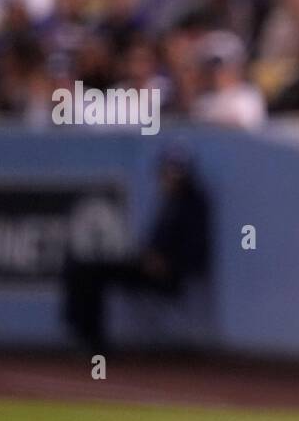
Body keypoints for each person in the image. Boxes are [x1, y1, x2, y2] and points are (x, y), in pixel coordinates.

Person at [62, 146, 211, 351]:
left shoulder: (193, 205)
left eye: (174, 172)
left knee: (92, 270)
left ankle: (93, 343)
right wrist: (147, 255)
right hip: (148, 264)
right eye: (166, 172)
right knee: (84, 267)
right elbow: (154, 243)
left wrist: (169, 264)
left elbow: (196, 250)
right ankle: (83, 333)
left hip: (169, 273)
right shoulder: (169, 202)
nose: (168, 178)